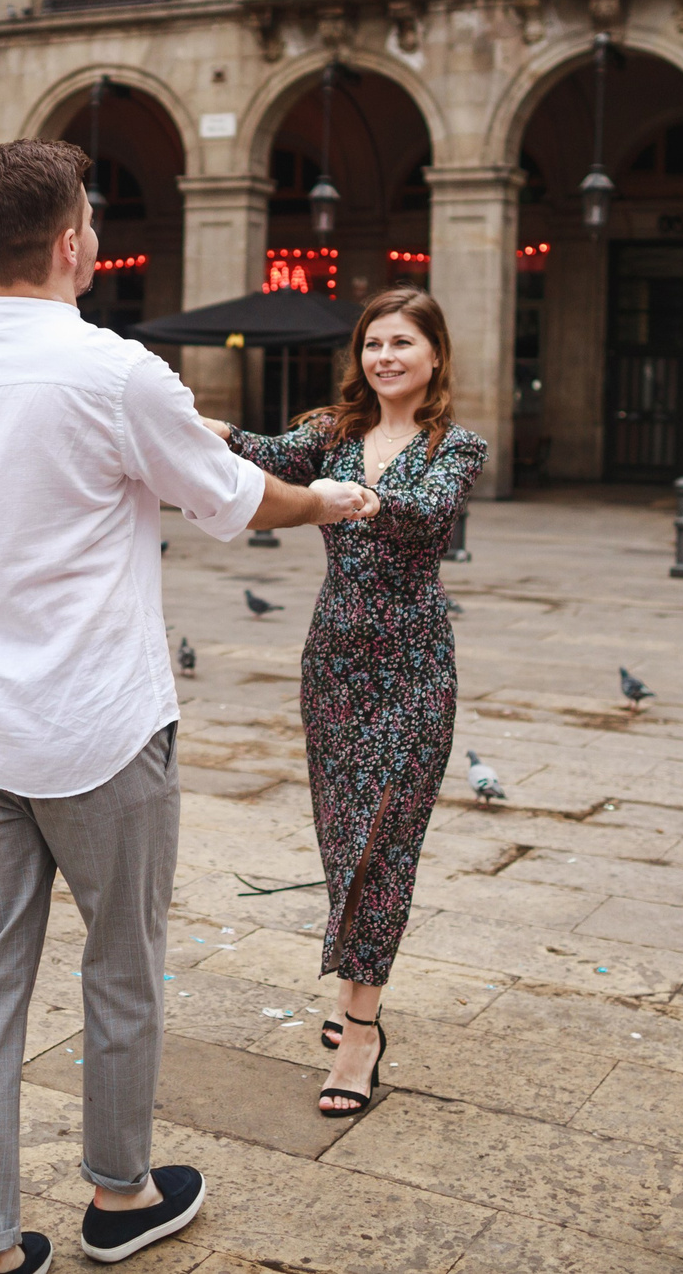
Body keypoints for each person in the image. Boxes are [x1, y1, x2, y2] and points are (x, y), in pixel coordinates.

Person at [0, 139, 370, 1274]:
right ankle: (118, 1199)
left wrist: (177, 437)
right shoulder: (116, 372)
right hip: (96, 727)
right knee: (119, 968)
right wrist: (331, 500)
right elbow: (233, 507)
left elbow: (51, 466)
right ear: (73, 245)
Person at [203, 287, 488, 1120]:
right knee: (341, 832)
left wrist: (357, 497)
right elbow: (259, 451)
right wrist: (204, 427)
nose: (385, 357)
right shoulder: (331, 433)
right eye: (373, 343)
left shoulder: (455, 446)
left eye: (403, 342)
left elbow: (428, 514)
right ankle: (357, 988)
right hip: (334, 662)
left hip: (414, 662)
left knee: (385, 838)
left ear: (434, 354)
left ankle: (359, 1027)